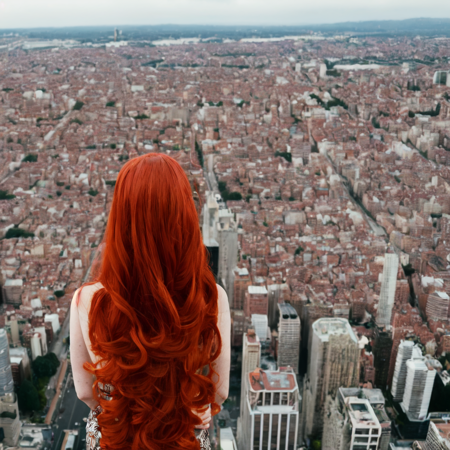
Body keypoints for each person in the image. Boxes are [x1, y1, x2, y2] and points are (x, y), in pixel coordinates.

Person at [70, 153, 231, 449]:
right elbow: (218, 392)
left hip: (118, 438)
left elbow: (84, 392)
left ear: (120, 217)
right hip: (184, 438)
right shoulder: (212, 297)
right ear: (183, 216)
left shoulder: (88, 300)